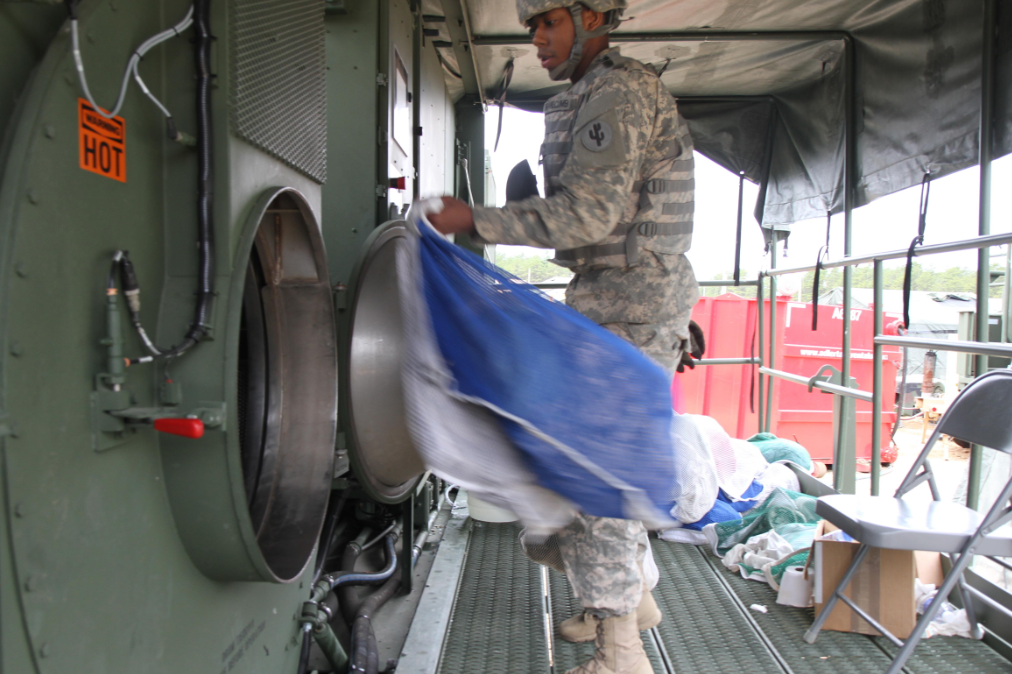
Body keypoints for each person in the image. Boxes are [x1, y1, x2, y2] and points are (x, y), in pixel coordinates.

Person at [428, 2, 698, 672]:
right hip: (612, 299)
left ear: (589, 15)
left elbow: (592, 211)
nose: (538, 41)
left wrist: (476, 220)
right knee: (596, 461)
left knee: (599, 475)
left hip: (632, 303)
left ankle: (621, 651)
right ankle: (629, 604)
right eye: (531, 28)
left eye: (548, 21)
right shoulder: (590, 94)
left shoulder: (618, 90)